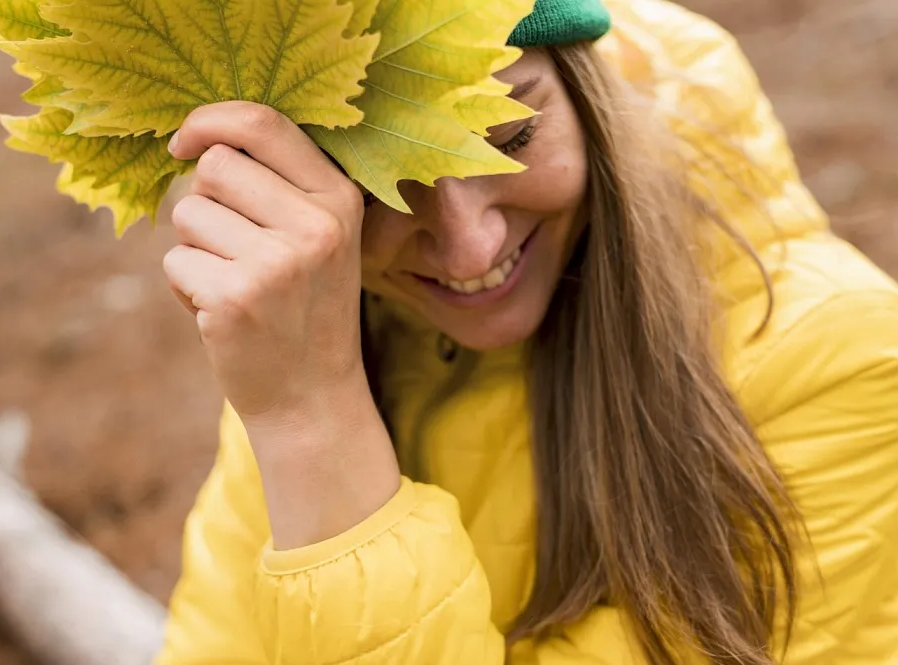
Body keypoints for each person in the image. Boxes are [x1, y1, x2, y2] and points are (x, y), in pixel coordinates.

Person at [156, 0, 898, 663]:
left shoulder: (837, 362)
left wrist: (319, 425)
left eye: (510, 138)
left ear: (585, 90)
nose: (469, 247)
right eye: (378, 186)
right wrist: (308, 410)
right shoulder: (309, 359)